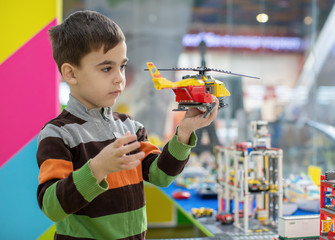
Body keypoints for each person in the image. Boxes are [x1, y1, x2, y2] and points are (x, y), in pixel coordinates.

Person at [36, 10, 218, 240]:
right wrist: (98, 169)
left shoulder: (131, 127)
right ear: (71, 73)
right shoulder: (58, 134)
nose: (120, 78)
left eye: (122, 66)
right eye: (106, 68)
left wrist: (185, 131)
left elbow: (161, 175)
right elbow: (52, 207)